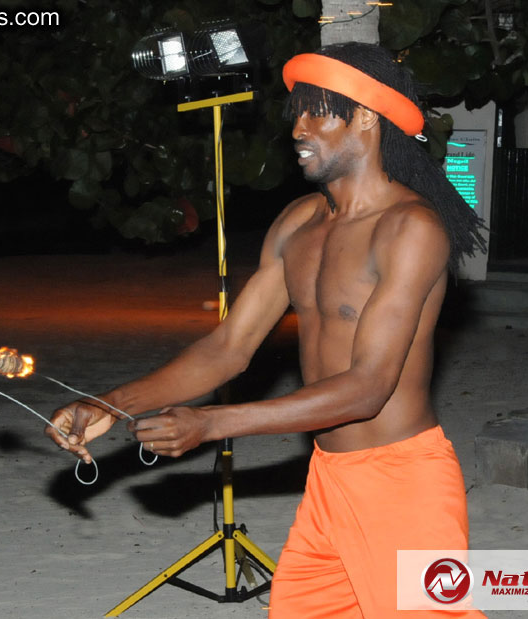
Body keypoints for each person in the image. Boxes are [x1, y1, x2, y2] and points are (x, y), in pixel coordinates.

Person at [46, 42, 487, 617]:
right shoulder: (300, 223)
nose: (298, 128)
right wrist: (112, 405)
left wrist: (211, 422)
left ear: (368, 119)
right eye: (296, 113)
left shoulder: (410, 229)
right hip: (328, 480)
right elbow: (228, 348)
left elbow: (368, 387)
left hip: (400, 484)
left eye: (318, 111)